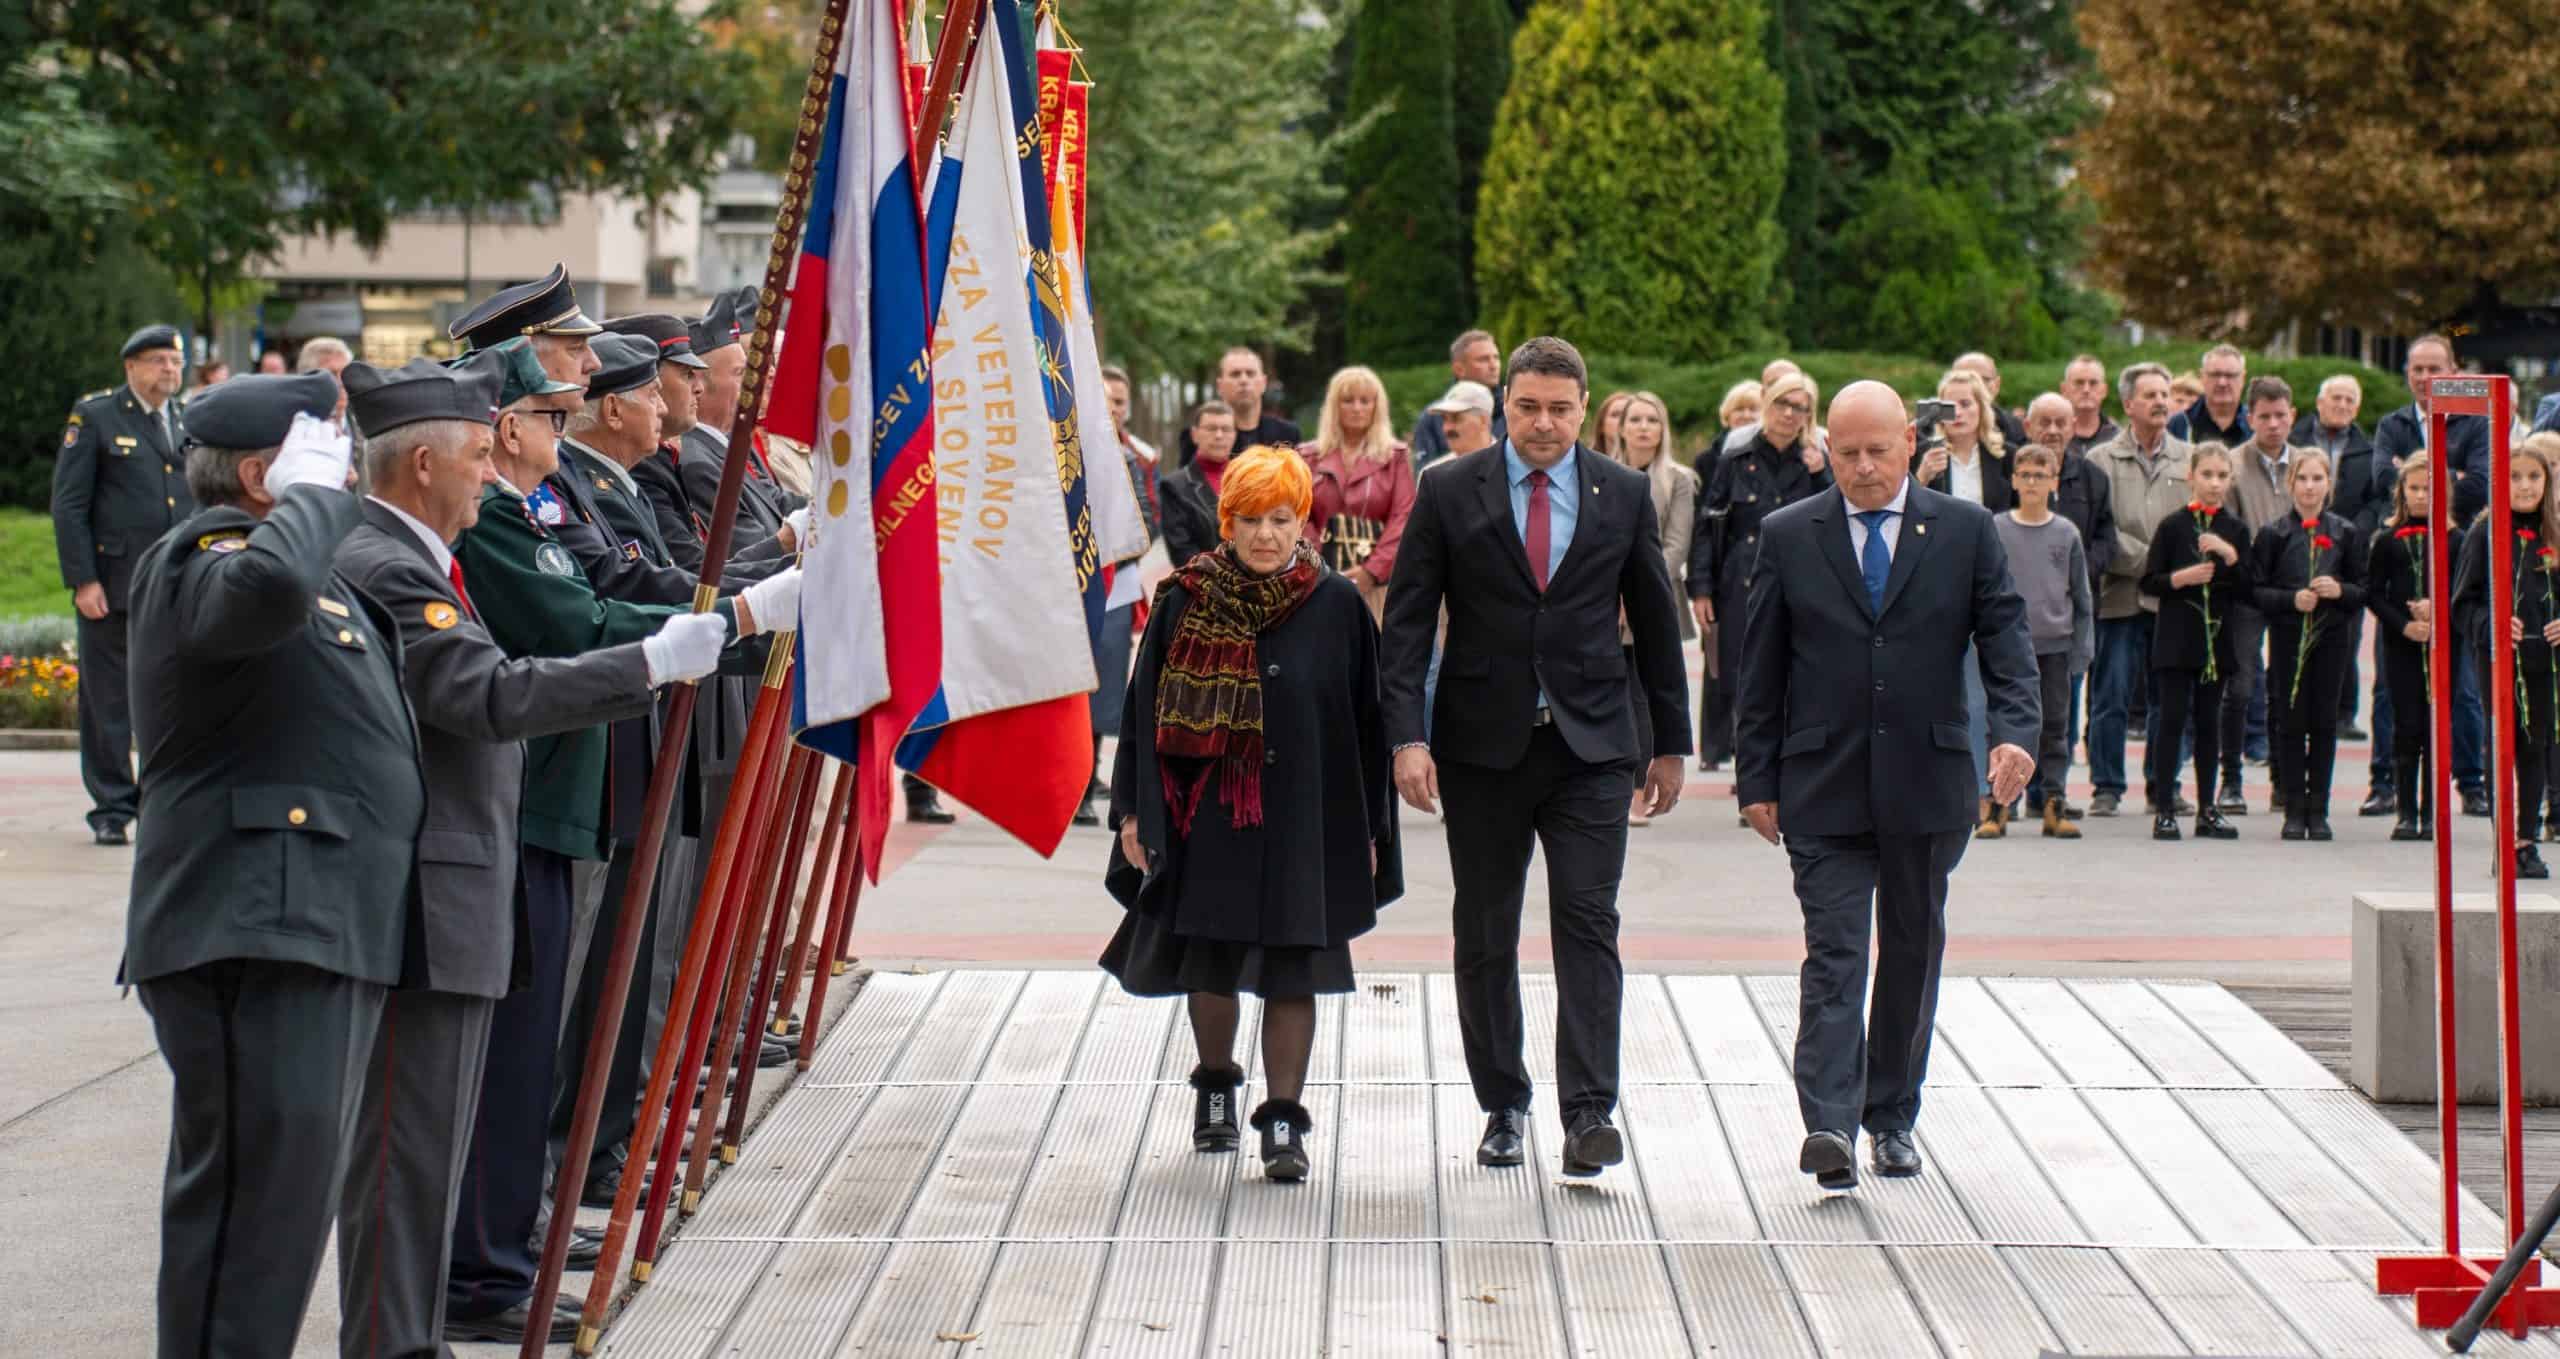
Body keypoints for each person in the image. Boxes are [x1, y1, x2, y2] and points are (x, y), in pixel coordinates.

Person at [326, 352, 724, 1357]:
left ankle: (421, 1324)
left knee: (436, 1140)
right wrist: (650, 658)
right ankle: (413, 1326)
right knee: (407, 1149)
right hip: (426, 888)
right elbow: (487, 691)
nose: (495, 476)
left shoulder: (420, 552)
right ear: (423, 463)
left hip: (461, 870)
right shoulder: (387, 562)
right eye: (475, 456)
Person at [446, 341, 795, 1343]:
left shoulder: (536, 507)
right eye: (555, 412)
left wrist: (727, 618)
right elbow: (578, 618)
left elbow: (608, 590)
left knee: (544, 1030)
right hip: (531, 791)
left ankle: (514, 1237)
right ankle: (489, 1261)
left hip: (563, 785)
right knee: (523, 1043)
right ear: (507, 427)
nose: (573, 423)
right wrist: (729, 617)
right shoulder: (509, 521)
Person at [123, 371, 417, 1357]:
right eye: (322, 458)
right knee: (251, 1213)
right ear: (263, 474)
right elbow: (264, 596)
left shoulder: (299, 566)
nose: (346, 476)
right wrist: (309, 501)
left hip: (311, 922)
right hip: (254, 923)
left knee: (280, 1217)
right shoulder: (208, 554)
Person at [1380, 336, 1690, 1179]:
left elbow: (1656, 624)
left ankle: (1589, 1112)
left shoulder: (1620, 492)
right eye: (1528, 407)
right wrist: (1406, 736)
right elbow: (1408, 620)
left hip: (1592, 746)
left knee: (1589, 923)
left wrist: (1670, 743)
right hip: (1481, 744)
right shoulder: (1449, 490)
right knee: (1486, 927)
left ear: (1585, 407)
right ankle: (1504, 1102)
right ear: (1501, 404)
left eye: (1560, 408)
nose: (1544, 423)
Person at [1732, 380, 2038, 1191]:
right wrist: (1755, 774)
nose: (1863, 469)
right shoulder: (1789, 534)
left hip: (1929, 780)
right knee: (1835, 955)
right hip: (1822, 783)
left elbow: (2005, 637)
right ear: (1826, 450)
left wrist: (2015, 734)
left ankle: (1892, 1115)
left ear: (1910, 441)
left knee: (1910, 948)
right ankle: (1829, 1122)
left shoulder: (1966, 531)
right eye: (1847, 453)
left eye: (1878, 451)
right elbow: (1758, 666)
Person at [1105, 446, 1401, 1182]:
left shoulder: (1337, 607)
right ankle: (1215, 1088)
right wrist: (1135, 812)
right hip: (1206, 815)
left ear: (1304, 523)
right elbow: (1141, 713)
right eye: (1250, 520)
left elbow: (1369, 723)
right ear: (1225, 523)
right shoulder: (1184, 598)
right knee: (1210, 956)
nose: (1267, 534)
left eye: (1281, 518)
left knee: (1295, 967)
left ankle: (1283, 1122)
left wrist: (1370, 828)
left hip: (1309, 816)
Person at [52, 324, 192, 845]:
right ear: (130, 366)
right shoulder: (95, 416)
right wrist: (83, 578)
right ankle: (112, 807)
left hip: (172, 582)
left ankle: (162, 800)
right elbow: (69, 504)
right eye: (158, 361)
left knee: (171, 697)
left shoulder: (185, 417)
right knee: (108, 700)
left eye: (175, 362)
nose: (169, 371)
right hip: (113, 582)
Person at [2369, 334, 2492, 818]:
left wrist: (2425, 480)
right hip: (2402, 560)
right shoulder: (2393, 425)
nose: (2425, 377)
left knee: (2461, 687)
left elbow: (2481, 482)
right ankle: (2385, 783)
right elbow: (2384, 479)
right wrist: (2446, 477)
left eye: (2434, 367)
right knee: (2389, 688)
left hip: (2456, 554)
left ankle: (2470, 781)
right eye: (2416, 369)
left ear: (2455, 370)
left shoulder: (2473, 423)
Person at [1692, 370, 1830, 779]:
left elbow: (1836, 519)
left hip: (1800, 585)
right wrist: (1701, 587)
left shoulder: (1815, 460)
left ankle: (1788, 770)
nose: (1789, 414)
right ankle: (1751, 775)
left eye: (1800, 408)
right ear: (1768, 403)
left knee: (1795, 680)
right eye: (1783, 404)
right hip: (1741, 583)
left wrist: (1823, 473)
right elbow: (1709, 523)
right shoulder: (1736, 456)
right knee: (1743, 683)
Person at [2090, 363, 2196, 818]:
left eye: (2165, 393)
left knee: (2167, 698)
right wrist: (2151, 562)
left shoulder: (2189, 459)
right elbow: (2100, 529)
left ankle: (2164, 783)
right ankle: (2107, 786)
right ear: (2128, 404)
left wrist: (2165, 570)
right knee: (2111, 695)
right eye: (2149, 394)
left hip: (2171, 600)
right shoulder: (2100, 460)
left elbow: (2194, 525)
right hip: (2118, 596)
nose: (2160, 401)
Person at [2454, 435, 2560, 880]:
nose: (2525, 486)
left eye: (2534, 477)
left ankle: (2527, 840)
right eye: (2515, 477)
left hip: (2547, 658)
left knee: (2536, 745)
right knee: (2504, 743)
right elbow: (2463, 602)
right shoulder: (2484, 531)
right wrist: (2493, 625)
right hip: (2499, 656)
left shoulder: (2555, 532)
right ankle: (2505, 841)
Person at [2250, 449, 2364, 842]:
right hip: (2287, 636)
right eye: (2303, 479)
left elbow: (2363, 589)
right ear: (2290, 483)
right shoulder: (2274, 533)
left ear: (2329, 484)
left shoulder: (2345, 532)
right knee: (2291, 718)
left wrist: (2339, 590)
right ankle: (2293, 806)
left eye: (2318, 479)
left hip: (2332, 638)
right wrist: (2289, 600)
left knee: (2324, 721)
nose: (2310, 486)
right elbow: (2255, 590)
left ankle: (2320, 808)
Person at [2141, 442, 2251, 841]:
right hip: (2176, 638)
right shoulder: (2173, 526)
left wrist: (2231, 557)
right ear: (2191, 477)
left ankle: (2208, 807)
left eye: (2222, 476)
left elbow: (2248, 589)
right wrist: (2179, 579)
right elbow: (2149, 580)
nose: (2215, 483)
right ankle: (2165, 807)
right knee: (2171, 721)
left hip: (2216, 641)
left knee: (2210, 724)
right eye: (2207, 475)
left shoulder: (2235, 529)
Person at [2221, 377, 2317, 816]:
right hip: (2247, 591)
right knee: (2240, 687)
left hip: (2293, 592)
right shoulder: (2234, 465)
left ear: (2293, 415)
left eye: (2281, 416)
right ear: (2249, 418)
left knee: (2287, 689)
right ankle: (2232, 781)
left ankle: (2284, 781)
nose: (2274, 424)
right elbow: (2231, 529)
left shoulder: (2304, 464)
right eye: (2264, 417)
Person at [2021, 391, 2114, 819]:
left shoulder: (2093, 478)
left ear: (2075, 427)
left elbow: (2104, 540)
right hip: (2021, 626)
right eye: (2044, 422)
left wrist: (2071, 572)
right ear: (2028, 426)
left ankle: (2052, 793)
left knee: (2059, 715)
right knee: (2019, 716)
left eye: (2062, 422)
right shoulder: (2018, 476)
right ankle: (2019, 794)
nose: (2053, 430)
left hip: (2065, 618)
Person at [1077, 365, 1163, 827]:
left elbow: (1149, 521)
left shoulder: (1131, 460)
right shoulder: (1055, 452)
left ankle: (1086, 785)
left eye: (1117, 402)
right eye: (1103, 399)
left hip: (1110, 588)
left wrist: (1105, 552)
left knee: (1099, 690)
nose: (1110, 409)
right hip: (1062, 591)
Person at [1607, 391, 1697, 825]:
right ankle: (1613, 783)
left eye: (1652, 420)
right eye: (1635, 419)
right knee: (1613, 692)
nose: (1644, 427)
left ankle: (1640, 790)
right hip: (1604, 604)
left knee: (1643, 693)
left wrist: (1637, 591)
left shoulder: (1678, 480)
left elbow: (1677, 546)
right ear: (1619, 426)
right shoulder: (1600, 474)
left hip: (1654, 602)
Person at [1997, 445, 2094, 838]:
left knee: (2056, 727)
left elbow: (2082, 597)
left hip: (2056, 646)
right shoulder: (1998, 528)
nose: (2032, 482)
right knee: (2005, 727)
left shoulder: (2066, 533)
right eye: (2025, 474)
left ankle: (2053, 801)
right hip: (2010, 646)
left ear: (2054, 482)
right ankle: (1999, 805)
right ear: (2015, 480)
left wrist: (2081, 650)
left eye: (2041, 475)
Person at [1301, 366, 1418, 622]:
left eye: (1365, 401)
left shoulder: (1395, 457)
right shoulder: (1306, 457)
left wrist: (1371, 571)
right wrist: (1320, 566)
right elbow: (1297, 515)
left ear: (1377, 407)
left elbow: (1403, 518)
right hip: (1315, 582)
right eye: (1348, 400)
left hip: (1378, 586)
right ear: (1334, 406)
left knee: (1375, 658)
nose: (1357, 408)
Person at [2300, 375, 2380, 742]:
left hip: (2348, 549)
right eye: (2336, 398)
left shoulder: (2369, 449)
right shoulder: (2296, 439)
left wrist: (2354, 531)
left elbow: (2376, 499)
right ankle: (2297, 703)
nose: (2343, 405)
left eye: (2350, 400)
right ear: (2319, 402)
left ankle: (2344, 712)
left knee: (2347, 631)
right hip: (2299, 542)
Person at [2368, 455, 2441, 840]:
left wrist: (2437, 611)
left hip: (2442, 645)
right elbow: (2373, 594)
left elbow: (2466, 593)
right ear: (2401, 492)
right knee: (2406, 725)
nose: (2420, 495)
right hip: (2401, 644)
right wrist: (2404, 623)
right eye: (2413, 488)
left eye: (2428, 489)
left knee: (2435, 728)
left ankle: (2432, 811)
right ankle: (2405, 809)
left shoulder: (2454, 539)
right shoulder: (2387, 540)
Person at [1175, 347, 1301, 466]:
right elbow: (1186, 485)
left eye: (1250, 374)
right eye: (1235, 374)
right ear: (1220, 385)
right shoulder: (1201, 435)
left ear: (1263, 383)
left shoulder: (1287, 435)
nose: (1243, 380)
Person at [1410, 329, 1505, 470]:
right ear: (1459, 369)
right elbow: (1425, 476)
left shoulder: (1513, 411)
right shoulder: (1431, 417)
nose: (1493, 365)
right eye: (1483, 359)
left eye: (1496, 357)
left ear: (1484, 420)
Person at [1161, 400, 1238, 565]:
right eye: (1211, 428)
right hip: (1203, 584)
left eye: (1225, 429)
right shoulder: (1174, 487)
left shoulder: (1250, 480)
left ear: (1234, 435)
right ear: (1194, 434)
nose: (1219, 435)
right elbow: (1182, 552)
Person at [2168, 344, 2251, 447]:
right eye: (2215, 375)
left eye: (2230, 375)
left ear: (2243, 378)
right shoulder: (2180, 424)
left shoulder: (2256, 425)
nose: (2222, 383)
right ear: (2202, 377)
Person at [1952, 351, 2031, 453]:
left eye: (1983, 379)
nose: (1976, 386)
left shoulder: (2016, 430)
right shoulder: (1932, 429)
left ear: (1997, 385)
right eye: (1965, 380)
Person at [2061, 354, 2120, 459]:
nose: (2086, 389)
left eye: (2093, 383)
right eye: (2079, 383)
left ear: (2104, 390)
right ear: (2064, 389)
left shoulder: (2119, 439)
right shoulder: (2052, 436)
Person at [1586, 390, 1632, 460]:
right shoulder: (1583, 461)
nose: (1622, 420)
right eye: (1616, 415)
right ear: (1601, 425)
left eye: (1628, 414)